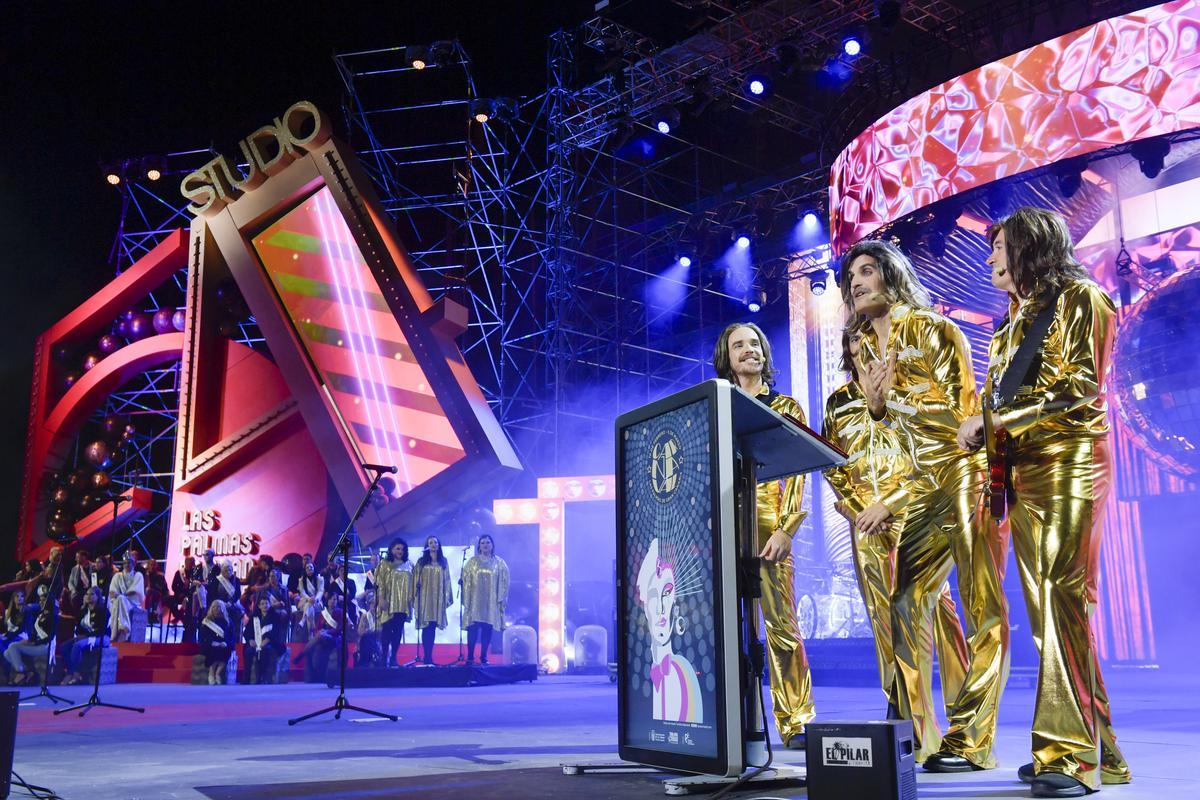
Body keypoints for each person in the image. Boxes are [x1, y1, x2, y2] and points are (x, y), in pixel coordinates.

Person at [954, 207, 1130, 797]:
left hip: (1071, 460)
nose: (990, 258)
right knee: (1051, 610)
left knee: (1060, 594)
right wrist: (986, 430)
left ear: (1029, 246)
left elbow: (1081, 387)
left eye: (1000, 246)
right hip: (1022, 470)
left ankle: (1067, 756)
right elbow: (998, 401)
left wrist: (998, 421)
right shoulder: (1008, 323)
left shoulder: (1082, 298)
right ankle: (1097, 750)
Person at [839, 240, 1005, 768]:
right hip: (922, 484)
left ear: (892, 276)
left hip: (964, 471)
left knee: (981, 606)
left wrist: (893, 401)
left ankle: (972, 741)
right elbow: (897, 430)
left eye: (868, 271)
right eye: (851, 277)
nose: (856, 282)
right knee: (906, 602)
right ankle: (914, 735)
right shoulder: (868, 351)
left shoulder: (934, 328)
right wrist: (877, 406)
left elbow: (963, 418)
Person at [822, 327, 969, 759]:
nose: (862, 345)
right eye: (854, 339)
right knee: (882, 617)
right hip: (865, 524)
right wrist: (856, 509)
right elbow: (832, 465)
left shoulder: (910, 390)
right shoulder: (837, 403)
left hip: (914, 512)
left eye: (869, 336)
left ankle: (964, 715)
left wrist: (892, 503)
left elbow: (928, 454)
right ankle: (905, 709)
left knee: (939, 613)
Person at [711, 321, 812, 748]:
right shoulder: (718, 406)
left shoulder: (785, 406)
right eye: (739, 345)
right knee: (723, 625)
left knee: (781, 624)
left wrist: (788, 528)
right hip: (722, 522)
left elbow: (800, 473)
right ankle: (726, 721)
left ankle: (797, 720)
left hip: (770, 523)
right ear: (727, 357)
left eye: (755, 343)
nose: (749, 350)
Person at [461, 534, 509, 665]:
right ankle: (470, 657)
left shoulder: (499, 563)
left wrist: (501, 600)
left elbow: (505, 582)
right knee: (473, 630)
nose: (485, 545)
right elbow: (465, 579)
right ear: (479, 546)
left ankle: (483, 657)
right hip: (475, 602)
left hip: (490, 603)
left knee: (487, 630)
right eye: (482, 543)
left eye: (488, 542)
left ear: (492, 545)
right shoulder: (472, 562)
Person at [374, 538, 414, 667]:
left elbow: (414, 583)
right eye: (397, 548)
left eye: (402, 549)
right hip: (388, 603)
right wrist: (381, 599)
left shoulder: (409, 564)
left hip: (403, 604)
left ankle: (393, 658)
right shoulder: (384, 564)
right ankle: (383, 658)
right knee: (386, 631)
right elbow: (380, 583)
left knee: (397, 632)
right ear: (391, 549)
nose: (400, 551)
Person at [414, 536, 453, 666]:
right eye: (430, 542)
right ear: (427, 546)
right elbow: (415, 579)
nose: (433, 544)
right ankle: (426, 657)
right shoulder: (421, 562)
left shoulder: (443, 561)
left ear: (439, 545)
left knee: (432, 627)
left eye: (435, 542)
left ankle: (429, 656)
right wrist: (415, 592)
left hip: (437, 599)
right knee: (426, 627)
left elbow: (447, 580)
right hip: (425, 599)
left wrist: (446, 597)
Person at [60, 587, 110, 685]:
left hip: (100, 637)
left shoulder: (103, 610)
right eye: (87, 594)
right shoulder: (83, 610)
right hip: (86, 636)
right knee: (64, 646)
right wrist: (79, 636)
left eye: (92, 594)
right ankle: (73, 672)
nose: (88, 596)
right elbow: (79, 627)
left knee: (77, 645)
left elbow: (102, 630)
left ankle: (73, 673)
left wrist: (86, 636)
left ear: (98, 597)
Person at [6, 602, 57, 685]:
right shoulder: (38, 616)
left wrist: (33, 643)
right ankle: (28, 672)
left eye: (44, 600)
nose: (41, 602)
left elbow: (49, 638)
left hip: (44, 646)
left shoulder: (52, 617)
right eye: (40, 600)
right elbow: (33, 635)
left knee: (13, 646)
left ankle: (21, 672)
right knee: (6, 653)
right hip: (35, 644)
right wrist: (29, 641)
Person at [243, 593, 288, 684]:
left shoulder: (275, 616)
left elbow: (276, 632)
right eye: (262, 604)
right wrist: (250, 640)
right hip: (255, 642)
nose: (265, 606)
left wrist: (266, 641)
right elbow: (247, 631)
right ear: (259, 606)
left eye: (266, 603)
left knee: (265, 650)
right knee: (248, 651)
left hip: (271, 642)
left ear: (269, 604)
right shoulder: (254, 617)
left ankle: (263, 677)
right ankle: (247, 679)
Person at [108, 551, 145, 642]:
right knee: (119, 600)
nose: (127, 565)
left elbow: (135, 591)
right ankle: (123, 627)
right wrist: (118, 595)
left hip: (132, 603)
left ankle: (117, 633)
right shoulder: (117, 576)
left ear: (133, 564)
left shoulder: (138, 575)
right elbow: (112, 592)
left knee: (121, 599)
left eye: (129, 563)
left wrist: (121, 595)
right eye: (125, 563)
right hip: (118, 601)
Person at [198, 599, 232, 685]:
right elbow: (203, 636)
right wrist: (212, 642)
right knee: (214, 650)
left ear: (223, 609)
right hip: (209, 644)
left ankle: (217, 673)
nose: (216, 609)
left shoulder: (228, 621)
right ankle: (211, 672)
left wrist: (226, 642)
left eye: (218, 607)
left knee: (227, 650)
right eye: (214, 607)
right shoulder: (207, 621)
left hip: (224, 644)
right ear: (211, 608)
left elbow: (231, 635)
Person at [171, 556, 204, 642]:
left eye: (193, 563)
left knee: (191, 609)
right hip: (181, 596)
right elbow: (174, 586)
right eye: (190, 562)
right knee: (170, 600)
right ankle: (179, 615)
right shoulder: (179, 573)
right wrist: (180, 593)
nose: (192, 564)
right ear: (185, 563)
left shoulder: (196, 573)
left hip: (192, 598)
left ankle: (181, 617)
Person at [354, 589, 381, 667]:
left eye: (376, 604)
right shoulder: (365, 616)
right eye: (372, 604)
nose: (374, 606)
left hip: (377, 639)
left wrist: (372, 631)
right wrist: (368, 631)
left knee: (370, 638)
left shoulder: (381, 616)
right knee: (367, 638)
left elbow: (382, 630)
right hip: (366, 641)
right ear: (369, 605)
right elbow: (359, 631)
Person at [143, 558, 169, 626]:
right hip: (147, 595)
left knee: (154, 594)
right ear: (148, 565)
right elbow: (143, 587)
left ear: (156, 565)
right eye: (151, 564)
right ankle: (151, 615)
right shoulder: (145, 576)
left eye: (154, 565)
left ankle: (154, 615)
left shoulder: (160, 576)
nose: (152, 566)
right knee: (149, 593)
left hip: (160, 595)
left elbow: (165, 589)